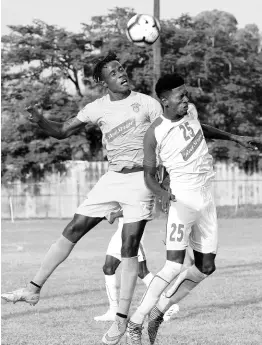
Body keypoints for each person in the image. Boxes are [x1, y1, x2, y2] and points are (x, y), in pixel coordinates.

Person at [1, 52, 163, 345]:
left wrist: (162, 179)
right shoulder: (96, 108)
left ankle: (121, 322)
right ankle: (33, 288)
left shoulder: (148, 103)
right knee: (73, 229)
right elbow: (62, 131)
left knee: (129, 248)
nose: (121, 74)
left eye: (122, 69)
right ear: (103, 82)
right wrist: (40, 120)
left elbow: (167, 137)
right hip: (111, 178)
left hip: (140, 179)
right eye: (114, 72)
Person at [125, 73, 261, 345]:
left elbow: (203, 128)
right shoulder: (154, 132)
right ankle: (135, 323)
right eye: (180, 96)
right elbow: (149, 175)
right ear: (164, 101)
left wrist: (235, 137)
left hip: (206, 200)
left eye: (186, 94)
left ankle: (158, 313)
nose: (186, 99)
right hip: (182, 200)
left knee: (206, 267)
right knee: (173, 265)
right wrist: (162, 193)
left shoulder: (190, 116)